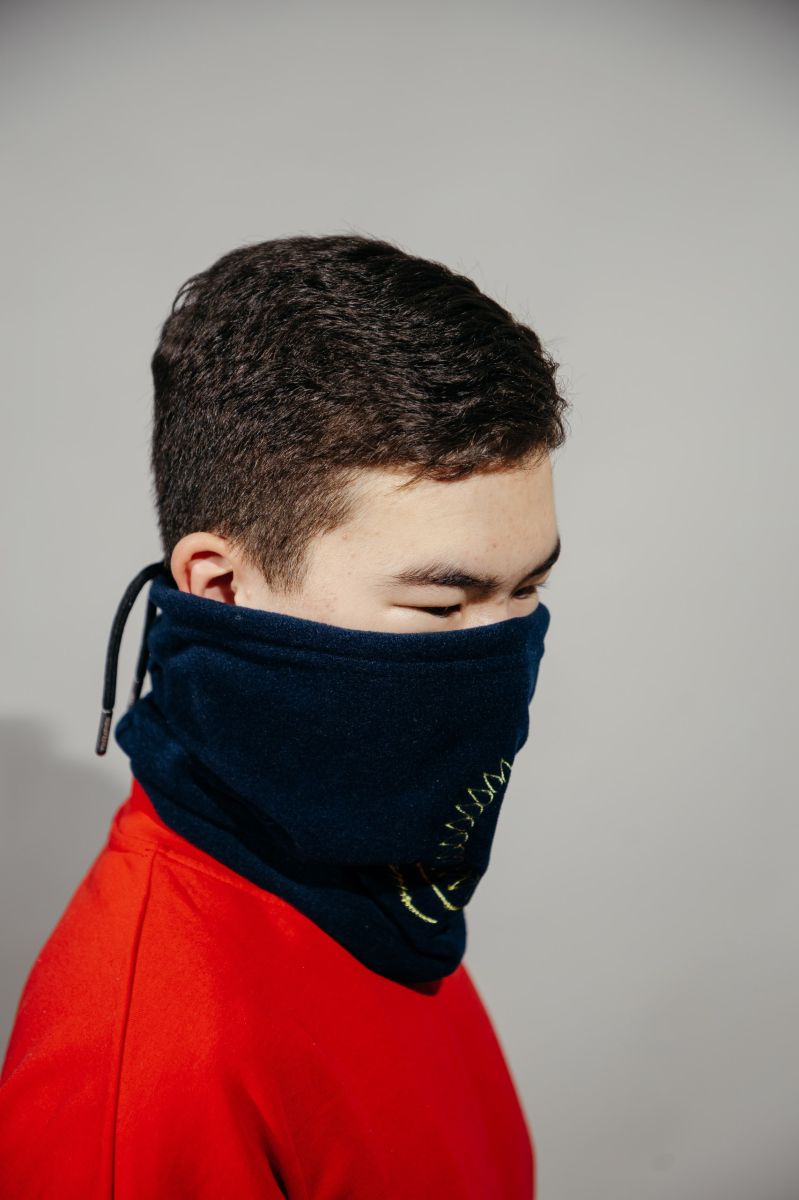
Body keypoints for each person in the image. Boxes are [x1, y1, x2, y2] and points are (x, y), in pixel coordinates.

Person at [0, 233, 569, 1198]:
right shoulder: (140, 1076)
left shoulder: (387, 890)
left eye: (528, 590)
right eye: (441, 605)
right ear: (221, 587)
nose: (502, 652)